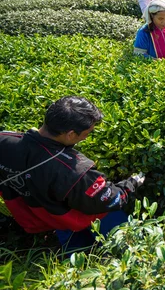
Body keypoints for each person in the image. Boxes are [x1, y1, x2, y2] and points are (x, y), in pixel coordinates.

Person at [0, 96, 144, 251]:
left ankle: (76, 266)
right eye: (87, 133)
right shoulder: (70, 170)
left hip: (50, 214)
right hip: (71, 216)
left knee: (75, 253)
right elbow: (108, 199)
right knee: (124, 237)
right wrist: (131, 183)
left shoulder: (4, 140)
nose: (86, 137)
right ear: (70, 134)